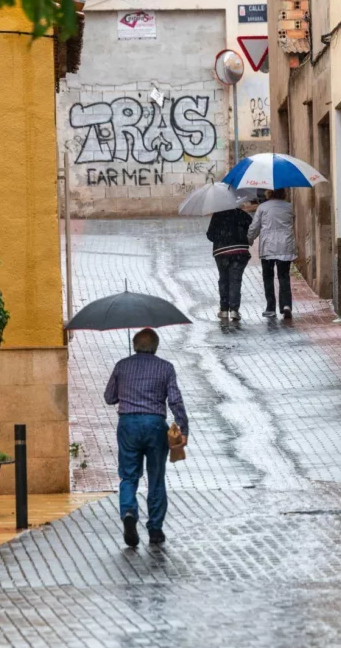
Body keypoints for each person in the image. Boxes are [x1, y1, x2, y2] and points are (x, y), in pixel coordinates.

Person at [103, 328, 189, 547]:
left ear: (134, 346)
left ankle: (129, 513)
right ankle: (155, 529)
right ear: (156, 347)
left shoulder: (122, 365)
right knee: (156, 477)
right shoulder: (165, 368)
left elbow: (109, 397)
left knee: (128, 476)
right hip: (155, 425)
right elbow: (175, 401)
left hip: (128, 425)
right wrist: (184, 428)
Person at [247, 188, 297, 318]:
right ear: (283, 193)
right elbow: (292, 221)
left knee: (268, 277)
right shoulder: (289, 207)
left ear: (268, 193)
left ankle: (270, 307)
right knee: (284, 276)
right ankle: (286, 305)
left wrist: (249, 239)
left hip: (268, 247)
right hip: (285, 246)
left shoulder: (263, 207)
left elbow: (255, 226)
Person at [206, 204, 253, 321]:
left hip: (221, 252)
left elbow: (210, 235)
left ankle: (223, 310)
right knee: (235, 280)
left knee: (224, 279)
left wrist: (221, 237)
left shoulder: (217, 215)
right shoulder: (242, 215)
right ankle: (234, 310)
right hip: (239, 251)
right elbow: (252, 228)